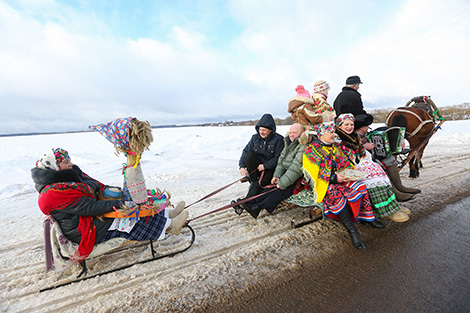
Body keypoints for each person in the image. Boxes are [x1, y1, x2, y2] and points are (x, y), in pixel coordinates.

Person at [31, 148, 189, 262]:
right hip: (82, 228)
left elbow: (95, 185)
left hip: (86, 218)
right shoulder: (53, 192)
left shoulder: (68, 176)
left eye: (69, 160)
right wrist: (121, 204)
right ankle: (170, 227)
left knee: (134, 203)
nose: (71, 164)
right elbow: (88, 207)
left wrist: (114, 192)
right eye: (66, 162)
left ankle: (167, 215)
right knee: (127, 218)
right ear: (54, 167)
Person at [302, 122, 383, 250]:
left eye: (334, 132)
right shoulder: (311, 150)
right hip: (323, 183)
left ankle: (368, 217)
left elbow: (345, 162)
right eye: (331, 133)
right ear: (322, 134)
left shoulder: (335, 146)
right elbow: (313, 175)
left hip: (340, 177)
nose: (334, 135)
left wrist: (351, 173)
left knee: (360, 186)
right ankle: (352, 230)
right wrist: (334, 178)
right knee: (335, 194)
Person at [335, 114, 410, 222]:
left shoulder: (354, 136)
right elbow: (342, 157)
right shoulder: (338, 139)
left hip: (357, 163)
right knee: (373, 177)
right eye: (346, 124)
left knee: (378, 171)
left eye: (351, 124)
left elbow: (362, 152)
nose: (349, 127)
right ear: (339, 126)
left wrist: (365, 159)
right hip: (346, 167)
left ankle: (392, 206)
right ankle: (385, 211)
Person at [240, 123, 306, 218]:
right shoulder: (288, 143)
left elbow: (295, 168)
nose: (291, 134)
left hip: (297, 178)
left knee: (279, 190)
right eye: (290, 132)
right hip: (285, 174)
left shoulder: (302, 146)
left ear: (302, 133)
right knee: (270, 187)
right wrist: (277, 176)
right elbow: (280, 162)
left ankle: (258, 207)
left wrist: (282, 182)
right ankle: (252, 202)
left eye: (294, 133)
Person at [355, 119, 421, 199]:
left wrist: (399, 143)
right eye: (366, 126)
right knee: (379, 166)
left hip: (372, 156)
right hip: (362, 159)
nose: (368, 127)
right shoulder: (354, 136)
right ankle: (395, 193)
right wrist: (364, 146)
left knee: (390, 159)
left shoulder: (367, 134)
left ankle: (399, 186)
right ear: (361, 127)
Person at [238, 113, 285, 198]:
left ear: (271, 130)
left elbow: (279, 158)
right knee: (248, 156)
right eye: (260, 129)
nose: (261, 132)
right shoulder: (255, 138)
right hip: (257, 167)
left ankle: (247, 201)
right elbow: (246, 151)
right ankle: (253, 180)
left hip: (270, 168)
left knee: (260, 183)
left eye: (264, 130)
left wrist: (265, 166)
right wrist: (242, 166)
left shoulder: (279, 140)